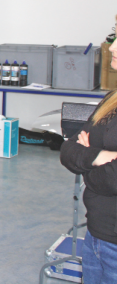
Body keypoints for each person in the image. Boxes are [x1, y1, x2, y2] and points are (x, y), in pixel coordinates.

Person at [60, 28, 117, 284]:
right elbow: (69, 149)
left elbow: (113, 179)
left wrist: (88, 165)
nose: (112, 47)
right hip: (96, 236)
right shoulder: (112, 100)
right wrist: (101, 156)